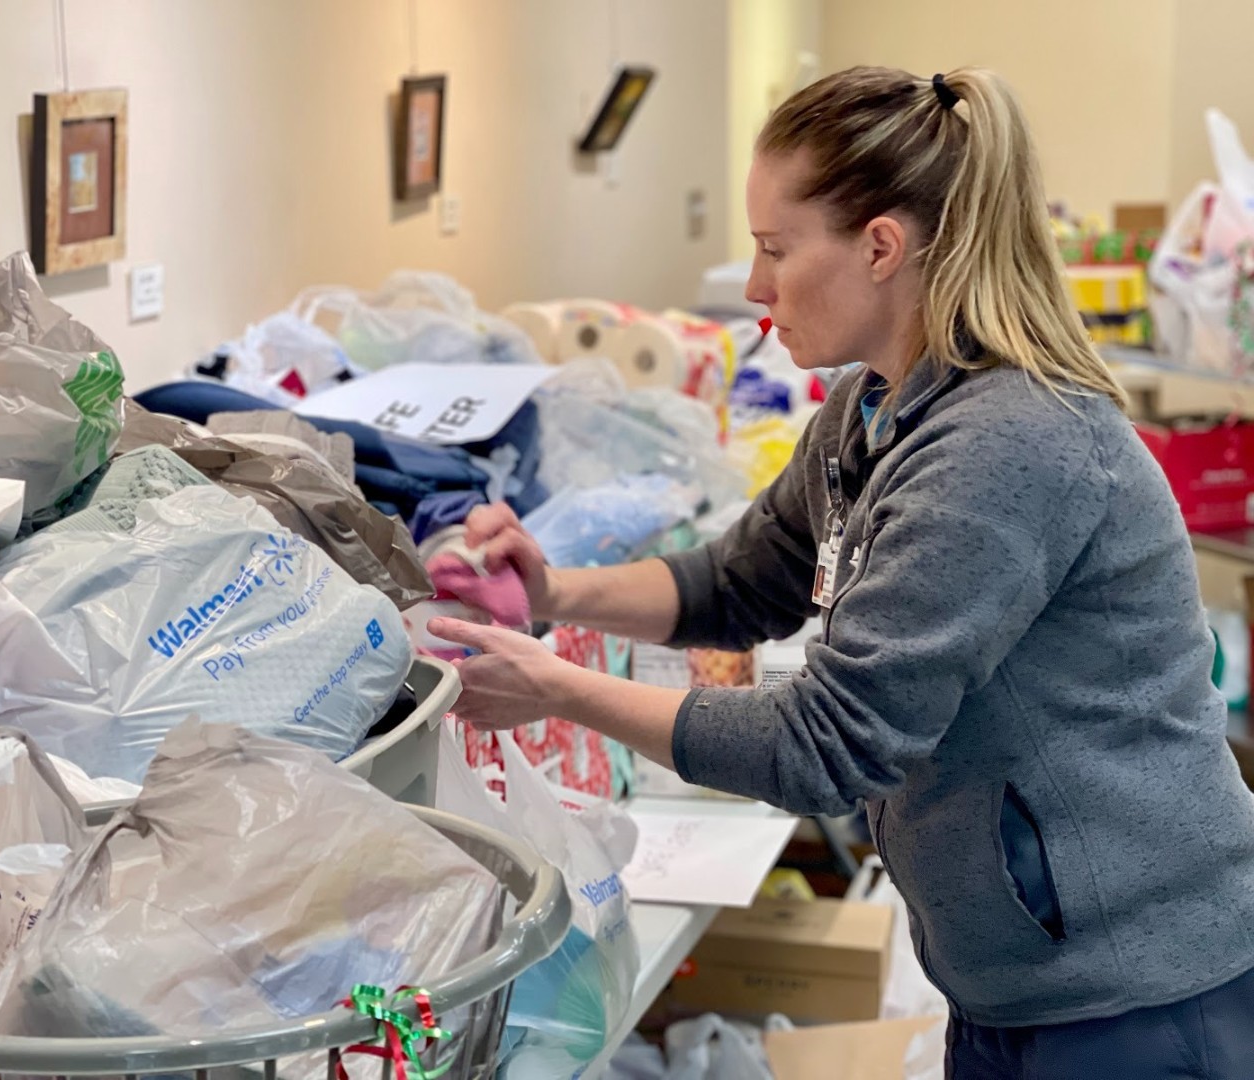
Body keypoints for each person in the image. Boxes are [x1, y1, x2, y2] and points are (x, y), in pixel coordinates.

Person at [429, 66, 1254, 1079]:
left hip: (1134, 995)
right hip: (1013, 978)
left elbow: (829, 744)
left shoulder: (1008, 443)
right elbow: (739, 583)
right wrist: (552, 592)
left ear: (880, 247)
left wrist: (555, 688)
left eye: (776, 250)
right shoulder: (872, 411)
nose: (755, 287)